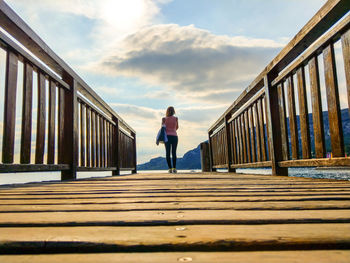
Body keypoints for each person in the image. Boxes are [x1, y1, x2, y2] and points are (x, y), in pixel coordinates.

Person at [162, 106, 179, 173]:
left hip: (167, 137)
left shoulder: (164, 119)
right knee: (174, 153)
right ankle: (174, 168)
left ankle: (170, 168)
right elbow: (177, 127)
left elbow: (163, 129)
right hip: (174, 136)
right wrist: (172, 130)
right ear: (174, 111)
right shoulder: (176, 118)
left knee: (167, 153)